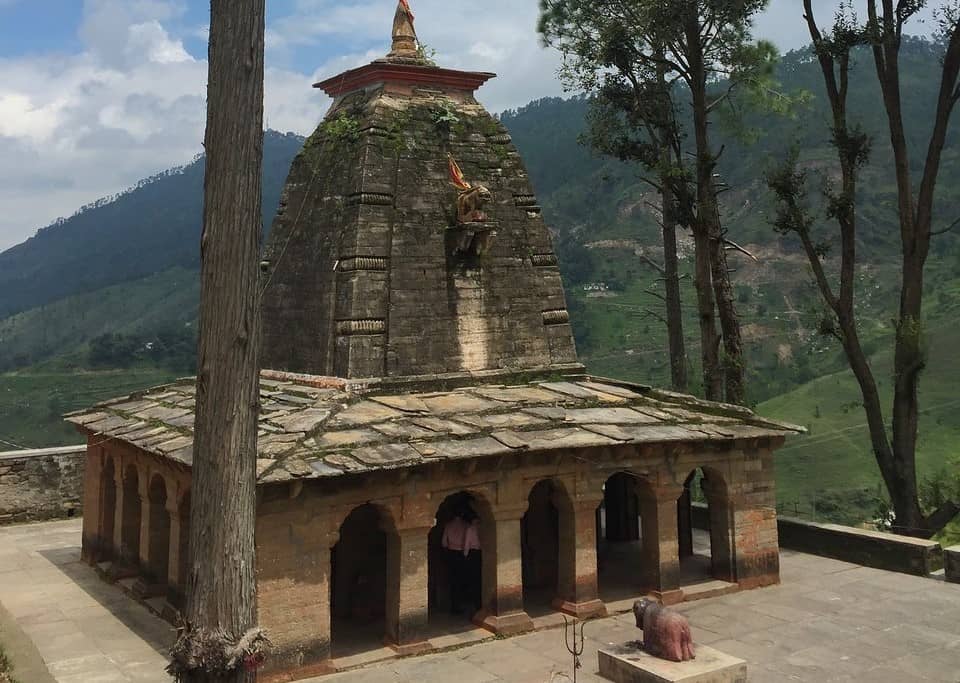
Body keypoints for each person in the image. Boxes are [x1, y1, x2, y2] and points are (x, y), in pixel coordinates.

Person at [441, 509, 469, 614]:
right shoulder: (466, 525)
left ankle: (454, 605)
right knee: (462, 580)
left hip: (451, 554)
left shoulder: (448, 525)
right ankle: (461, 603)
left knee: (453, 580)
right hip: (462, 554)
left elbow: (444, 542)